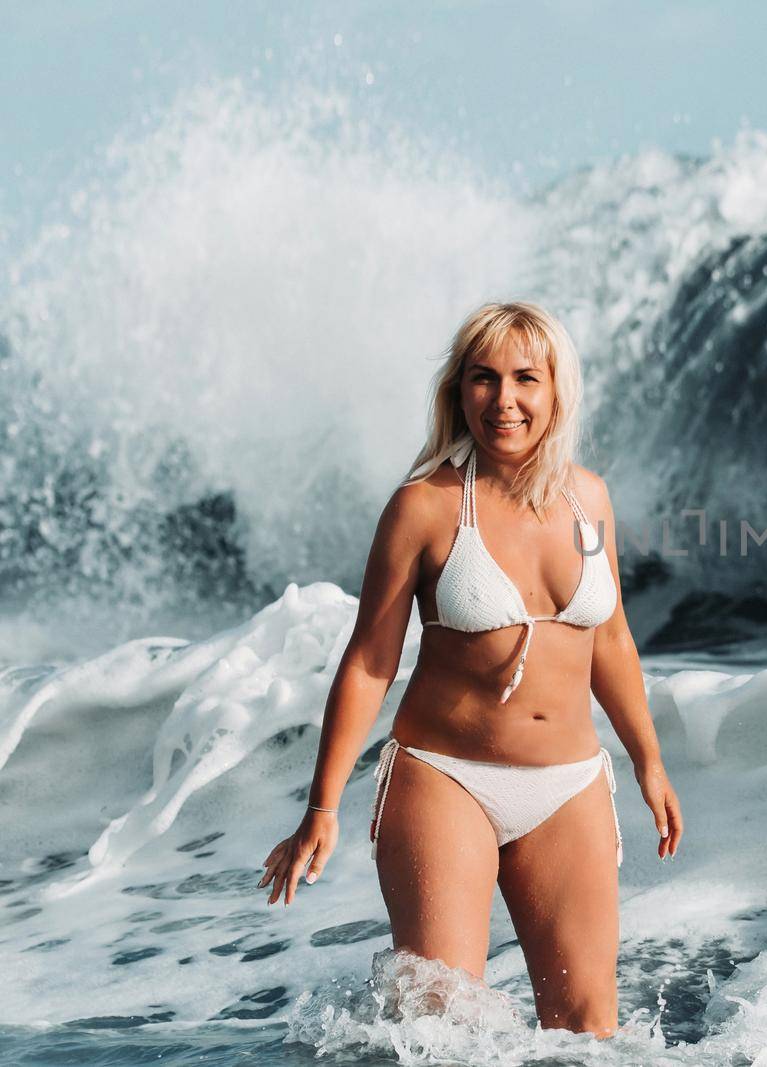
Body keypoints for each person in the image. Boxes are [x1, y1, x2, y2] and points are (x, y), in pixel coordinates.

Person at [257, 301, 684, 1038]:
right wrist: (322, 808)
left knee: (589, 1030)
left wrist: (648, 760)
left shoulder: (590, 499)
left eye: (525, 378)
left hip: (570, 782)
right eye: (482, 378)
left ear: (556, 389)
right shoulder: (423, 506)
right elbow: (368, 662)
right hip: (444, 777)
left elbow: (610, 640)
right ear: (458, 390)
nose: (504, 400)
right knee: (443, 1031)